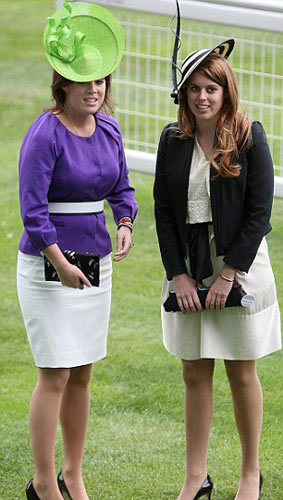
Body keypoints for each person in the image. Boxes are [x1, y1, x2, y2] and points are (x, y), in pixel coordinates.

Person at [17, 2, 137, 500]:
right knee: (55, 371)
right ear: (62, 83)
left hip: (95, 264)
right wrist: (59, 262)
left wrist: (125, 220)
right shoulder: (46, 133)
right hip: (50, 265)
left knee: (83, 372)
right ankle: (44, 482)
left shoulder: (109, 129)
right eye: (84, 81)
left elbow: (122, 188)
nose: (94, 90)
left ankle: (73, 473)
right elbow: (32, 208)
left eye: (101, 81)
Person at [154, 37, 281, 500]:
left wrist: (228, 274)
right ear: (183, 94)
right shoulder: (172, 141)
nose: (202, 97)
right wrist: (179, 274)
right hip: (189, 268)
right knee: (194, 371)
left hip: (240, 268)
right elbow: (164, 213)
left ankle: (250, 474)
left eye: (212, 88)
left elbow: (258, 215)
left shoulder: (250, 136)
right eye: (194, 89)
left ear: (226, 92)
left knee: (241, 371)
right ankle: (196, 477)